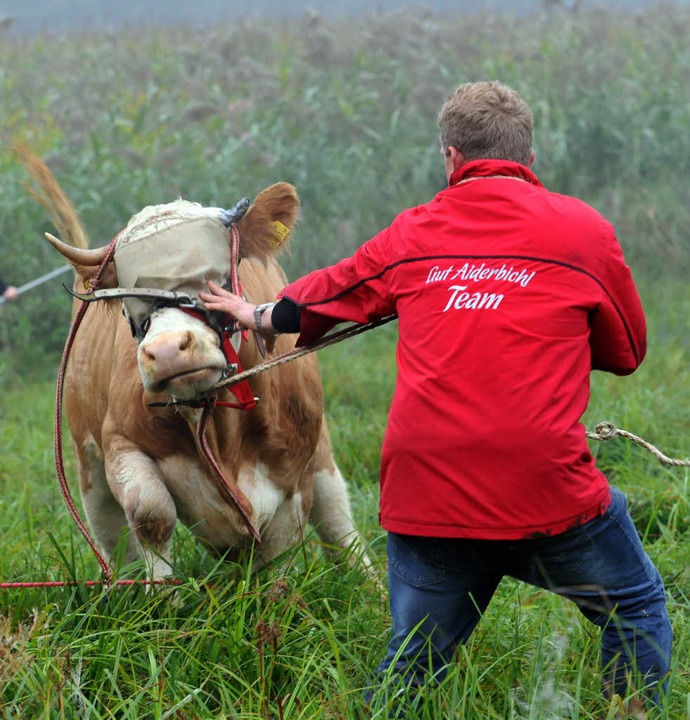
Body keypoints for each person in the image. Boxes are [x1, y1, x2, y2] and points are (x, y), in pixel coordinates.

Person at [200, 81, 672, 713]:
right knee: (636, 606)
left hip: (429, 493)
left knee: (413, 663)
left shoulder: (413, 234)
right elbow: (627, 354)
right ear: (529, 157)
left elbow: (320, 297)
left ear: (450, 158)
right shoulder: (585, 232)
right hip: (547, 489)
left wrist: (251, 311)